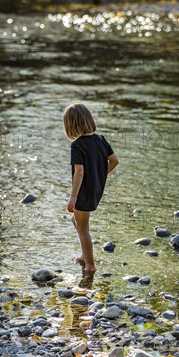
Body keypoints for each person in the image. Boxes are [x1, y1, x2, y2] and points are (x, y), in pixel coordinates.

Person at [63, 103, 119, 273]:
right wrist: (100, 177)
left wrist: (73, 197)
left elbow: (79, 172)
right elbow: (114, 161)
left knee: (83, 229)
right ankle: (85, 255)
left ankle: (90, 266)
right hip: (95, 189)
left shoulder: (78, 145)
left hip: (83, 192)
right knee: (78, 223)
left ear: (71, 125)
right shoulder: (100, 139)